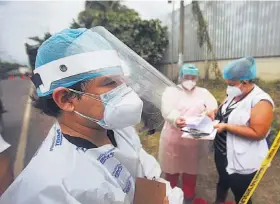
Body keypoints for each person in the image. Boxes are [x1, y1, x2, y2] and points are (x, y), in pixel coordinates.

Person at [0, 27, 183, 204]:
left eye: (123, 80)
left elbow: (142, 174)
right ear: (66, 99)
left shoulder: (116, 128)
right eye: (110, 82)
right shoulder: (49, 189)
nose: (126, 91)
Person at [209, 57, 274, 204]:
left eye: (231, 84)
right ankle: (219, 201)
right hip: (222, 151)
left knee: (241, 193)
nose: (228, 88)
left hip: (242, 158)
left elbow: (259, 133)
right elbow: (226, 110)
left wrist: (226, 127)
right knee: (223, 181)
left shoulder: (261, 101)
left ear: (245, 82)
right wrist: (214, 113)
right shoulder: (234, 93)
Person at [159, 64, 218, 203]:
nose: (190, 80)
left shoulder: (203, 93)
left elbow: (212, 105)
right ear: (180, 77)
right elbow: (166, 109)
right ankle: (171, 193)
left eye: (193, 77)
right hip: (173, 138)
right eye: (187, 77)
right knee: (171, 167)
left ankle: (188, 194)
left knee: (191, 168)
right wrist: (175, 118)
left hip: (194, 139)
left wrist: (209, 112)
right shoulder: (171, 92)